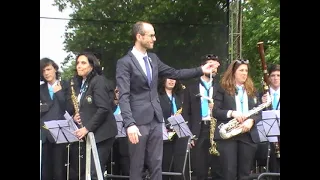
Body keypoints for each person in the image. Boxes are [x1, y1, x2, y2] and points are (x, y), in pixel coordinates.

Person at [115, 21, 219, 180]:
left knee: (157, 164)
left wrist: (200, 70)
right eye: (151, 35)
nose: (154, 39)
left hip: (156, 119)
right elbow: (124, 95)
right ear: (139, 36)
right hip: (138, 121)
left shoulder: (153, 59)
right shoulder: (124, 62)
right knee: (137, 165)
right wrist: (129, 123)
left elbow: (175, 73)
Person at [67, 51, 117, 180]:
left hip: (102, 134)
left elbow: (104, 108)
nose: (79, 66)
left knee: (95, 173)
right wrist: (77, 117)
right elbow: (89, 108)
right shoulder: (83, 83)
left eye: (83, 63)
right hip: (93, 134)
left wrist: (86, 128)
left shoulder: (98, 81)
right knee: (88, 172)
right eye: (78, 63)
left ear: (92, 65)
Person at [212, 59, 261, 180]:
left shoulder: (252, 90)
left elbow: (259, 111)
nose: (244, 73)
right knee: (229, 172)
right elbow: (215, 111)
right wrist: (232, 113)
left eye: (246, 71)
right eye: (241, 70)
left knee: (245, 174)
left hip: (247, 134)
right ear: (233, 72)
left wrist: (252, 121)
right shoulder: (222, 88)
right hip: (229, 135)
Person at [182, 54, 222, 180]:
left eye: (215, 66)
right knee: (200, 169)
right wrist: (189, 135)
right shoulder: (191, 88)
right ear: (202, 67)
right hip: (198, 131)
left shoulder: (221, 88)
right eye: (210, 65)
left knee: (218, 168)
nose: (213, 69)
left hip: (216, 130)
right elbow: (186, 113)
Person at [40, 57, 69, 180]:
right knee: (45, 172)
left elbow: (70, 108)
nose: (46, 73)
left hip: (61, 135)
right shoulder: (41, 89)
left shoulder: (66, 85)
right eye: (43, 71)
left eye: (48, 69)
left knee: (59, 172)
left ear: (55, 69)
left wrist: (59, 93)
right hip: (45, 136)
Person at [158, 77, 184, 180]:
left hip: (177, 134)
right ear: (163, 80)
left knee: (177, 166)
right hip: (163, 135)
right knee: (165, 164)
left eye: (174, 79)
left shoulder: (178, 97)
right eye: (169, 78)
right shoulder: (158, 96)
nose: (171, 81)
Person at [259, 64, 280, 173]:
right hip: (269, 138)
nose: (275, 78)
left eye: (278, 75)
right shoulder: (262, 94)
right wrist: (262, 103)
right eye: (272, 75)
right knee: (272, 164)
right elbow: (256, 114)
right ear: (269, 78)